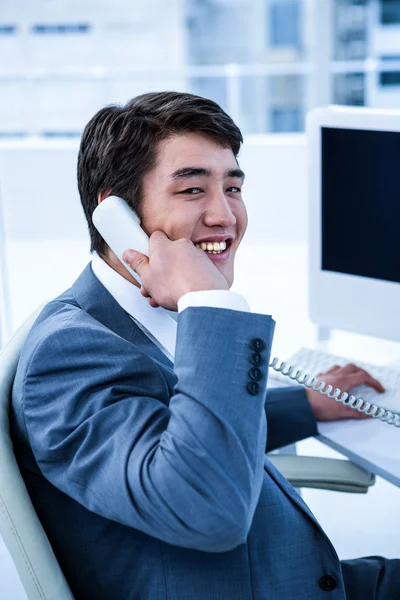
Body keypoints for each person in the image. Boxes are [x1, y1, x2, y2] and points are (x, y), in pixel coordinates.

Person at [11, 92, 399, 600]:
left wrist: (306, 403)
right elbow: (205, 505)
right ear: (116, 216)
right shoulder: (70, 355)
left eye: (233, 188)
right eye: (193, 189)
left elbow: (171, 424)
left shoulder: (132, 321)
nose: (226, 215)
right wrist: (211, 306)